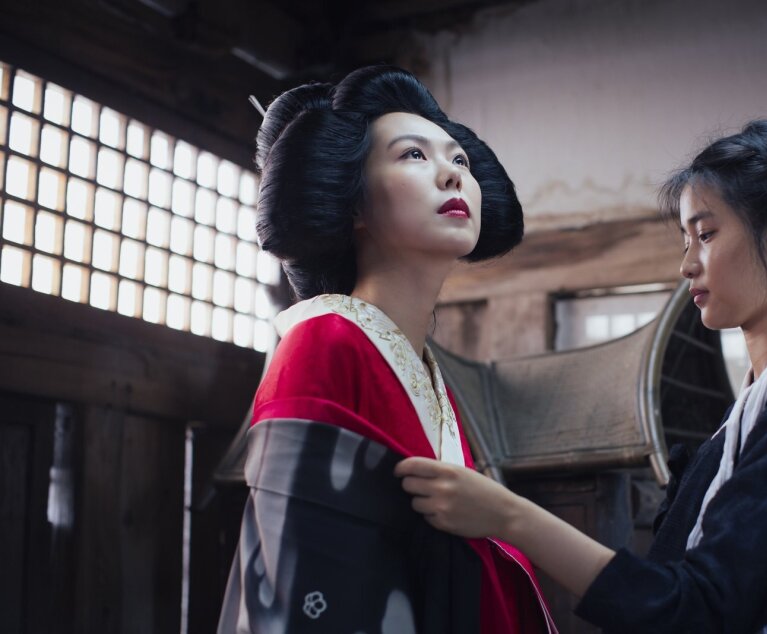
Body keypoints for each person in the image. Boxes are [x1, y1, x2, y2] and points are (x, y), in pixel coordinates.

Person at [396, 119, 767, 633]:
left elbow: (703, 607)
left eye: (707, 234)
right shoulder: (766, 400)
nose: (687, 265)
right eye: (685, 240)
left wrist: (509, 516)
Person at [218, 66, 554, 633]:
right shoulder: (322, 341)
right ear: (352, 203)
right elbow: (302, 579)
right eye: (413, 155)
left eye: (460, 160)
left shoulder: (422, 368)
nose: (452, 173)